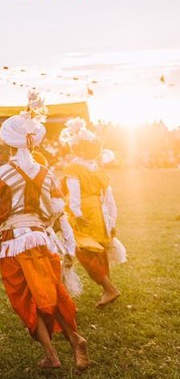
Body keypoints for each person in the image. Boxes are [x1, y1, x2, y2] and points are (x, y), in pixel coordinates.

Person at [0, 112, 88, 371]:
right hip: (41, 238)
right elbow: (56, 207)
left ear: (9, 143)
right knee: (49, 291)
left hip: (15, 241)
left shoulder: (1, 173)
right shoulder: (46, 173)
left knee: (26, 298)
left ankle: (62, 348)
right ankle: (64, 345)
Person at [59, 118, 124, 308]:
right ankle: (107, 288)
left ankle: (109, 288)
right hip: (100, 212)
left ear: (77, 149)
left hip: (84, 212)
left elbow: (75, 195)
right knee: (100, 250)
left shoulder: (74, 168)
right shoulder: (98, 170)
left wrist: (77, 214)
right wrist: (111, 220)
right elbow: (109, 198)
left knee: (85, 252)